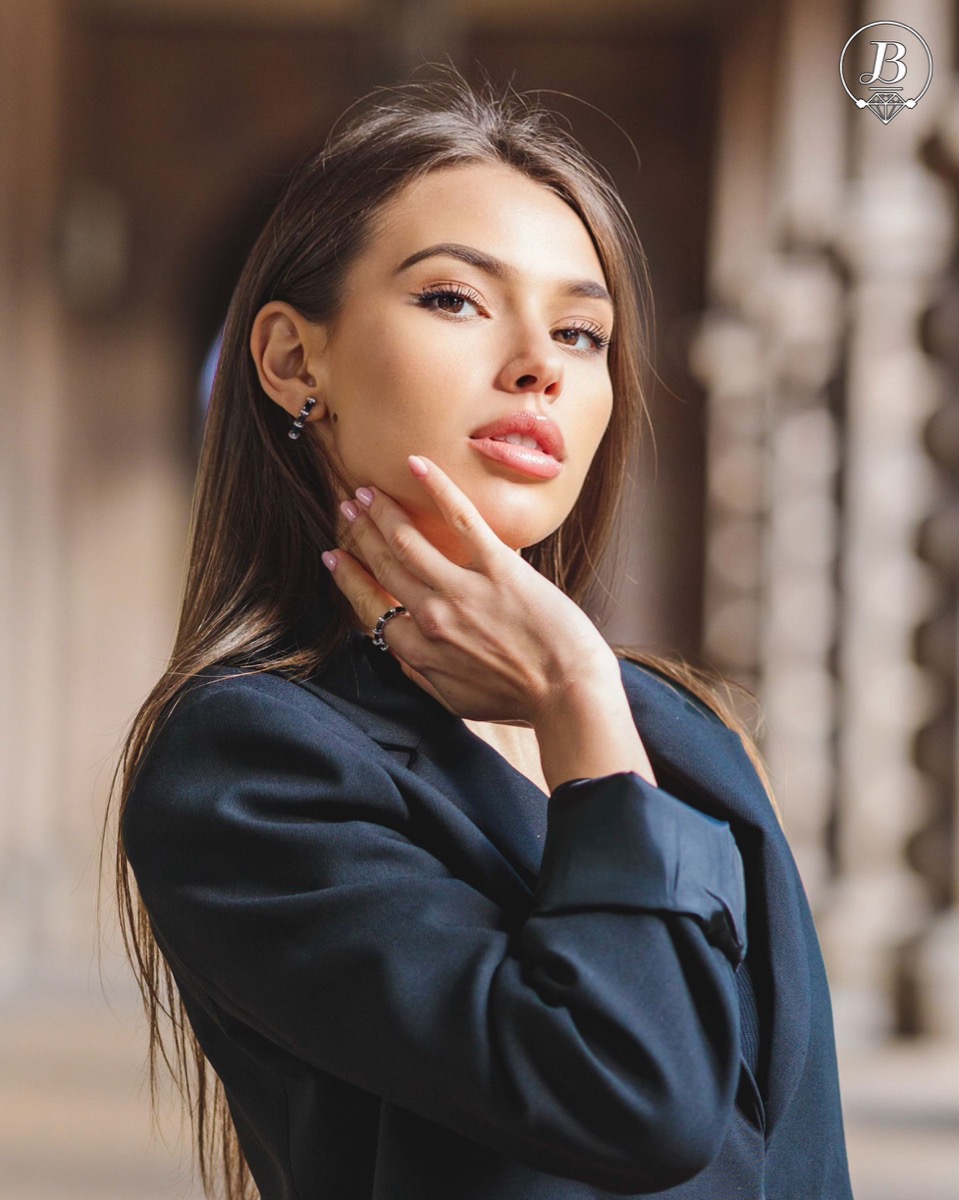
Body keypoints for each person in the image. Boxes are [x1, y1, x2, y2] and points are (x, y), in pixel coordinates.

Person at [113, 77, 854, 1200]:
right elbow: (629, 1100)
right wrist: (573, 704)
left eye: (580, 331)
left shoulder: (682, 732)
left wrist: (595, 702)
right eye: (456, 300)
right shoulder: (244, 766)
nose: (538, 365)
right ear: (289, 361)